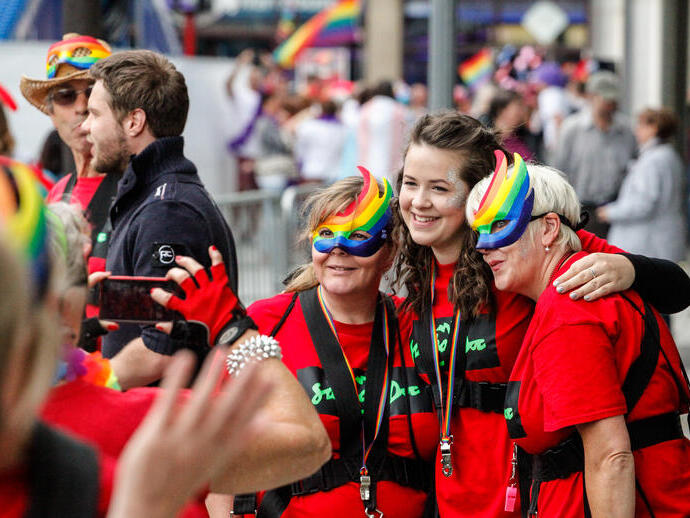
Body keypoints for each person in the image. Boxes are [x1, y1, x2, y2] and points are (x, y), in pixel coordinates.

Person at [392, 111, 690, 518]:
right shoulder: (410, 271)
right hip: (451, 501)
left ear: (478, 192)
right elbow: (335, 266)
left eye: (440, 188)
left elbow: (676, 288)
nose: (419, 201)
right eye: (410, 183)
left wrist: (630, 269)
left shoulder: (523, 257)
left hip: (533, 497)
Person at [0, 156, 290, 518]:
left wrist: (80, 349)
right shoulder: (140, 431)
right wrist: (235, 328)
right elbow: (301, 438)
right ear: (58, 305)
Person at [153, 168, 439, 518]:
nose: (338, 249)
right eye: (326, 235)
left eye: (359, 236)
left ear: (389, 252)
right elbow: (219, 450)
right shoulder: (266, 323)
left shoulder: (414, 323)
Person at [467, 157, 690, 517]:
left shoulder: (570, 308)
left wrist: (633, 267)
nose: (482, 245)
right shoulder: (577, 277)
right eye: (478, 231)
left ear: (550, 228)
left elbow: (610, 457)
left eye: (500, 225)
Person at [82, 49, 240, 389]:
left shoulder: (167, 210)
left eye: (94, 114)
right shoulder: (154, 198)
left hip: (162, 427)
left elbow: (161, 348)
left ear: (134, 122)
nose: (85, 127)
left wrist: (95, 385)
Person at [20, 33, 118, 275]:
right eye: (65, 95)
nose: (82, 106)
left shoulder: (139, 187)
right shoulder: (55, 194)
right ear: (51, 114)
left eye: (93, 91)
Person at [597, 107, 687, 262]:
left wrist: (610, 212)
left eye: (641, 125)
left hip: (649, 243)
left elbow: (643, 204)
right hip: (659, 241)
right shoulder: (668, 155)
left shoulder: (653, 161)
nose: (637, 129)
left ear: (653, 128)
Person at [554, 70, 637, 237]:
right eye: (606, 99)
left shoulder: (626, 130)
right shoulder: (572, 128)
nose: (610, 104)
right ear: (591, 96)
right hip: (582, 209)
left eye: (614, 100)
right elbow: (558, 170)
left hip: (617, 210)